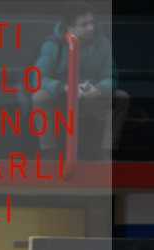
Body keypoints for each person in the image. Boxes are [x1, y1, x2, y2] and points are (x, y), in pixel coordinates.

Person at [30, 3, 129, 161]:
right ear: (70, 27)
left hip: (91, 95)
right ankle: (49, 152)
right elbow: (37, 77)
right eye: (84, 25)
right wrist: (63, 87)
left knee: (121, 98)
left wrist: (99, 89)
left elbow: (111, 76)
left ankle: (107, 152)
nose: (91, 28)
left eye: (92, 23)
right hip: (62, 97)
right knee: (39, 97)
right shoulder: (53, 45)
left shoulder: (103, 43)